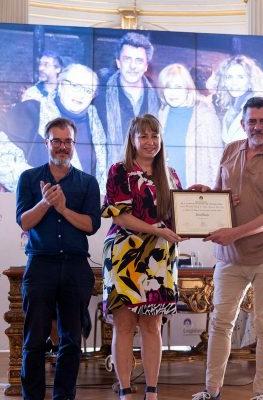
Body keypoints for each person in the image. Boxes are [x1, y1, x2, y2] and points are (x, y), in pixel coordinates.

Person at [190, 97, 263, 400]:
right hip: (229, 258)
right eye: (252, 121)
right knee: (220, 324)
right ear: (242, 123)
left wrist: (235, 232)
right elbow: (220, 195)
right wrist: (206, 195)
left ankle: (262, 393)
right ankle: (211, 391)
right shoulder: (229, 150)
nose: (258, 126)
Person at [15, 117, 101, 400]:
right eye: (57, 141)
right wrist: (45, 202)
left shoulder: (88, 182)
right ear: (46, 143)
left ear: (74, 144)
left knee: (71, 342)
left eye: (68, 141)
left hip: (76, 267)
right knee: (34, 341)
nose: (62, 147)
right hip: (41, 265)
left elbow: (91, 225)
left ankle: (64, 397)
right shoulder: (28, 178)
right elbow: (24, 222)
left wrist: (63, 209)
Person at [101, 114, 185, 400]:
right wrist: (156, 230)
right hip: (125, 256)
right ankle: (125, 390)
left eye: (155, 136)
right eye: (144, 136)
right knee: (124, 326)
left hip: (159, 259)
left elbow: (180, 215)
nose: (150, 142)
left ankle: (151, 392)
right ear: (133, 140)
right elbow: (120, 216)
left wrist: (201, 200)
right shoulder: (119, 171)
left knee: (152, 325)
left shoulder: (170, 175)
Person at [0, 63, 107, 192]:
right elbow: (0, 162)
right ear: (60, 85)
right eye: (75, 86)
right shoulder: (30, 112)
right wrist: (47, 190)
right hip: (34, 205)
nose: (81, 94)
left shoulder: (99, 122)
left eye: (88, 90)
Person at [95, 32, 160, 169]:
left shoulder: (159, 99)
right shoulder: (98, 96)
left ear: (146, 66)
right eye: (127, 59)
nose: (133, 66)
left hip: (149, 176)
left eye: (139, 60)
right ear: (118, 62)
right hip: (111, 177)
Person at [157, 63, 223, 187]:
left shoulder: (205, 115)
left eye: (178, 87)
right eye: (168, 87)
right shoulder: (161, 115)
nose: (173, 93)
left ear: (188, 88)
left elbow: (217, 160)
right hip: (166, 189)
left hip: (197, 191)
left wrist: (216, 191)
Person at [207, 55, 263, 146]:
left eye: (240, 77)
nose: (234, 82)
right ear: (223, 82)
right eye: (229, 77)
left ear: (250, 81)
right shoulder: (232, 109)